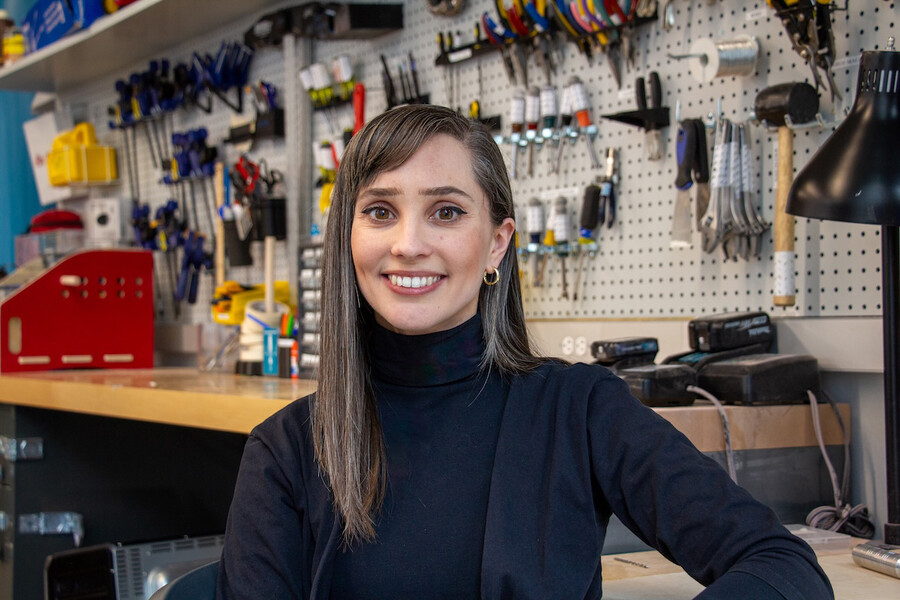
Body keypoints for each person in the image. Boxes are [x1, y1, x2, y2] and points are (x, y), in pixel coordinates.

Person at [216, 104, 833, 599]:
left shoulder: (580, 410)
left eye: (446, 212)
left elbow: (779, 563)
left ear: (496, 244)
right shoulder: (287, 451)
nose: (408, 243)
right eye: (380, 211)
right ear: (348, 239)